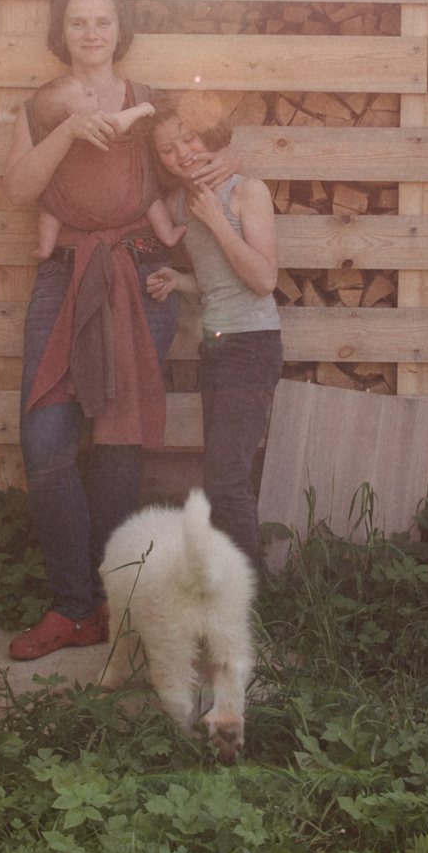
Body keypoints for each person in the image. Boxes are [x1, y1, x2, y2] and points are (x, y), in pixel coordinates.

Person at [1, 0, 231, 661]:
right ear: (62, 32)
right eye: (78, 22)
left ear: (118, 29)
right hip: (63, 275)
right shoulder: (42, 108)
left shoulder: (149, 105)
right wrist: (69, 129)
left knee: (119, 443)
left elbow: (209, 156)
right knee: (44, 439)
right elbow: (17, 189)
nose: (91, 32)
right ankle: (70, 603)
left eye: (103, 21)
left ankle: (106, 604)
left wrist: (225, 164)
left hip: (136, 273)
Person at [145, 94, 281, 569]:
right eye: (167, 148)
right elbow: (219, 281)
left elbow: (263, 279)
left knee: (226, 481)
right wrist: (178, 281)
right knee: (221, 475)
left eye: (188, 136)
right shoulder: (175, 204)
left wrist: (217, 221)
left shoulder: (247, 191)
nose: (181, 152)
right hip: (216, 347)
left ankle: (250, 597)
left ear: (208, 132)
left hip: (253, 345)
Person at [29, 76, 181, 262]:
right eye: (87, 94)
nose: (93, 92)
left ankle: (45, 248)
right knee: (151, 200)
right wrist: (139, 110)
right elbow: (116, 124)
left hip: (76, 205)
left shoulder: (57, 132)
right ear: (73, 113)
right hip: (81, 210)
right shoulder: (92, 123)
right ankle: (168, 233)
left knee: (50, 213)